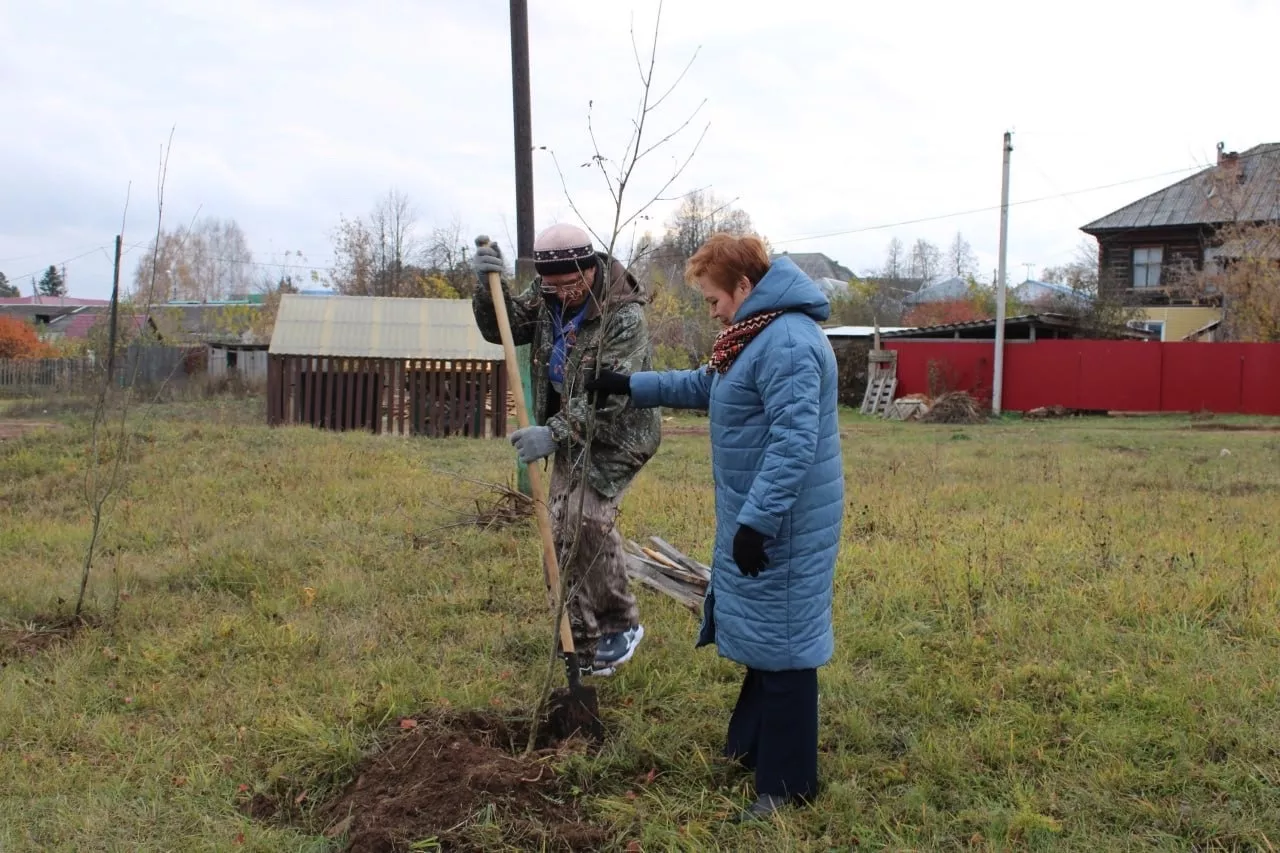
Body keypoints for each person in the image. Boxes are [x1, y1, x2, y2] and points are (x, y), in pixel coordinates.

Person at [585, 233, 844, 820]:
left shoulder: (787, 343)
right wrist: (630, 386)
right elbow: (709, 385)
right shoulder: (756, 336)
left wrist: (757, 522)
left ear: (744, 287)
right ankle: (752, 745)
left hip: (784, 520)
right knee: (770, 634)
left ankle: (788, 785)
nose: (712, 310)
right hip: (763, 513)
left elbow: (793, 443)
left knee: (787, 646)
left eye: (711, 299)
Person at [471, 223, 662, 677]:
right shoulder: (549, 293)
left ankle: (621, 625)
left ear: (588, 268)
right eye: (550, 285)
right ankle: (579, 639)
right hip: (568, 431)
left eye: (569, 284)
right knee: (558, 529)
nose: (560, 294)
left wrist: (552, 433)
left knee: (585, 517)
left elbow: (610, 396)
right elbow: (506, 327)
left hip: (619, 433)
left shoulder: (623, 315)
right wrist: (485, 286)